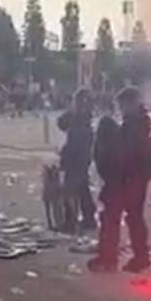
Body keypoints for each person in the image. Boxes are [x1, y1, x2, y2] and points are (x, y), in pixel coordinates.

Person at [88, 87, 151, 273]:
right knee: (134, 218)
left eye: (123, 105)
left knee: (111, 218)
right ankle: (140, 257)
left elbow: (124, 153)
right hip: (136, 179)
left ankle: (108, 258)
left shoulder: (134, 125)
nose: (120, 108)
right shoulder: (144, 123)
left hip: (125, 180)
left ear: (131, 103)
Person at [56, 88, 96, 233]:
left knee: (70, 189)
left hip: (76, 157)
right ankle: (88, 218)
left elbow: (62, 124)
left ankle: (70, 222)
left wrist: (65, 157)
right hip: (81, 157)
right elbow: (61, 123)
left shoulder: (79, 118)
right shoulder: (84, 117)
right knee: (82, 188)